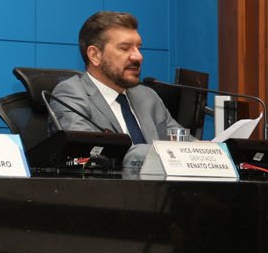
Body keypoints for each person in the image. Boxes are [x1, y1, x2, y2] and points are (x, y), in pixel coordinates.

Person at [49, 11, 186, 160]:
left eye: (138, 48)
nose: (138, 56)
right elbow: (87, 154)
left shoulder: (147, 96)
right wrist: (167, 155)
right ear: (95, 55)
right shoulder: (70, 95)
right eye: (125, 48)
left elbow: (184, 145)